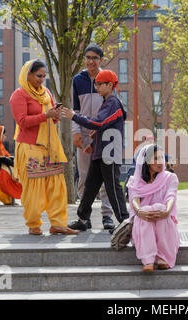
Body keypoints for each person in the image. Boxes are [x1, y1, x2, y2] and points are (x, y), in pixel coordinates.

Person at [10, 59, 78, 236]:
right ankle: (34, 224)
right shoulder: (19, 95)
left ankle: (58, 224)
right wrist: (45, 116)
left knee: (56, 185)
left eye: (44, 76)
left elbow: (51, 118)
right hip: (30, 146)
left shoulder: (46, 92)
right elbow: (22, 122)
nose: (41, 80)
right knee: (35, 188)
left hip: (49, 146)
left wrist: (54, 115)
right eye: (38, 76)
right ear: (28, 74)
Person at [62, 69, 129, 231]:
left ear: (110, 85)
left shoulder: (112, 102)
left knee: (113, 187)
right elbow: (102, 127)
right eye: (96, 83)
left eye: (100, 84)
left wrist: (74, 116)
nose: (97, 86)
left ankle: (125, 221)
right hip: (100, 153)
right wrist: (92, 145)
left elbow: (98, 123)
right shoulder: (107, 103)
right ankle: (83, 219)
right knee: (90, 186)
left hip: (109, 154)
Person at [72, 44, 114, 230]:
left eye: (95, 58)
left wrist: (99, 127)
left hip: (103, 133)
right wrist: (75, 131)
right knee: (84, 176)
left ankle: (107, 216)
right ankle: (84, 217)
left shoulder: (107, 79)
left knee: (106, 176)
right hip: (83, 133)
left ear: (101, 60)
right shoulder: (77, 80)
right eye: (88, 57)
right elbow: (75, 109)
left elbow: (112, 107)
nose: (91, 61)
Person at [127, 144, 180, 272]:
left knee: (159, 207)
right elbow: (134, 198)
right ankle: (148, 260)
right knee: (145, 210)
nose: (161, 162)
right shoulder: (135, 180)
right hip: (143, 222)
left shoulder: (170, 178)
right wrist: (139, 211)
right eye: (156, 158)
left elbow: (171, 196)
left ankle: (163, 257)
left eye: (162, 157)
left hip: (164, 222)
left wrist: (167, 211)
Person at [0, 125, 22, 204]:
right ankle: (11, 198)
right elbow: (3, 159)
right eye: (4, 135)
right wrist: (13, 162)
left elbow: (6, 157)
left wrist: (12, 161)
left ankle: (10, 199)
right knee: (13, 175)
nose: (5, 137)